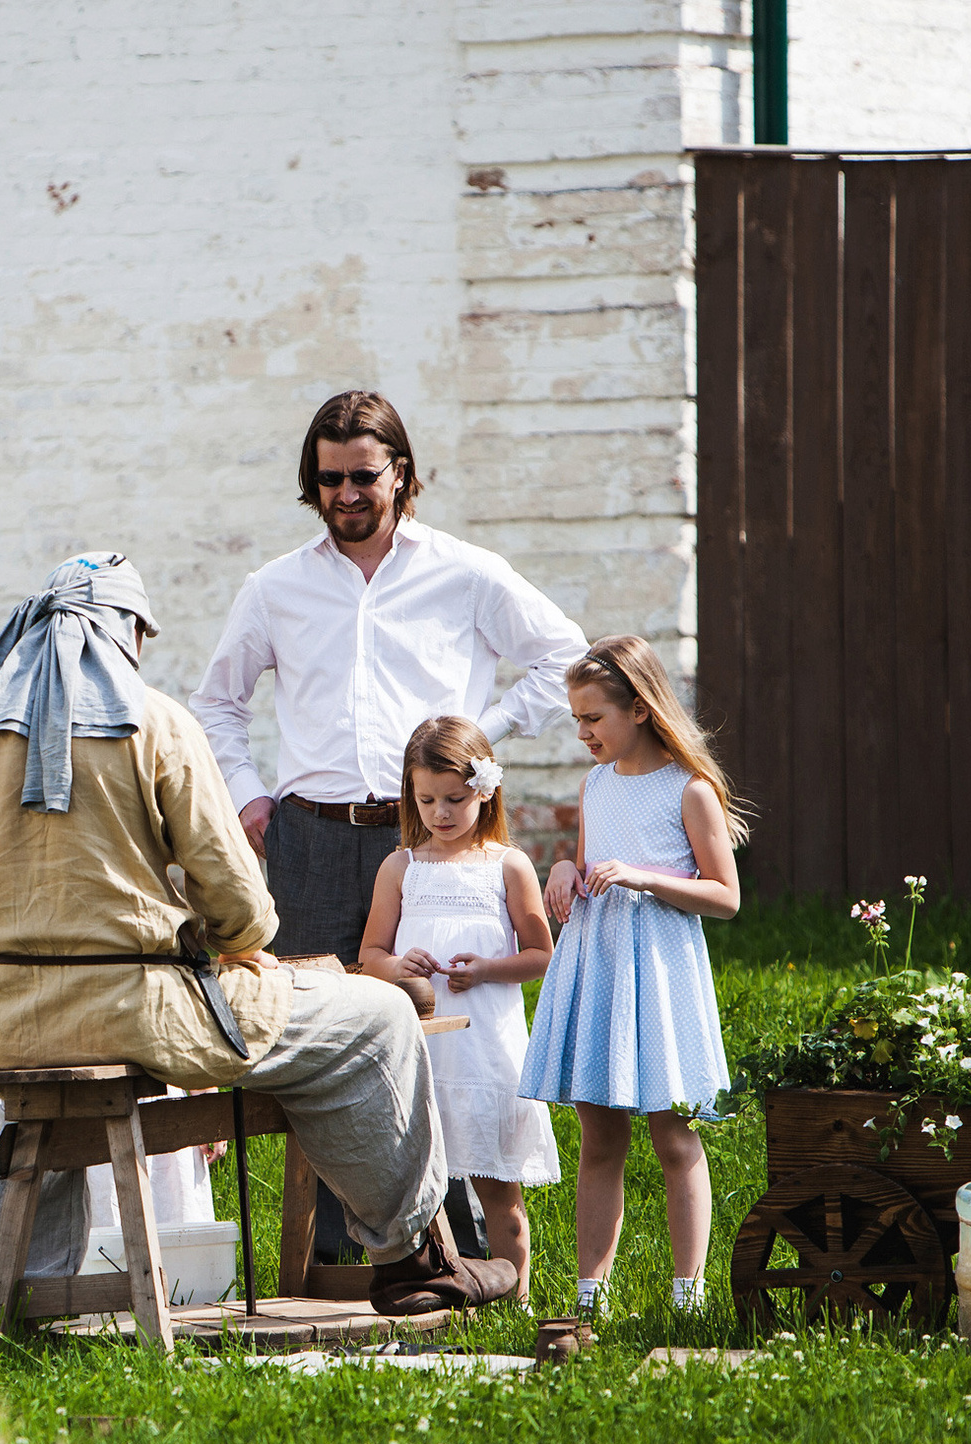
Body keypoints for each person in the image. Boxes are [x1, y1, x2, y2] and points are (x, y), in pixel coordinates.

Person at [0, 552, 518, 1317]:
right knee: (377, 1019)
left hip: (10, 1018)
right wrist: (223, 936)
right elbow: (241, 905)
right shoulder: (154, 721)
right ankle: (415, 1257)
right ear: (126, 632)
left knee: (35, 1109)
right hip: (134, 1011)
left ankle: (5, 1298)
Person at [191, 388, 586, 1255]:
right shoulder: (275, 587)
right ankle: (341, 1253)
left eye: (362, 476)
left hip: (436, 841)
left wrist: (482, 743)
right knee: (322, 1041)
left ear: (400, 474)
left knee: (444, 1039)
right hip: (315, 840)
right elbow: (216, 703)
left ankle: (461, 1250)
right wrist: (253, 797)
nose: (345, 494)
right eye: (329, 479)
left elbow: (567, 658)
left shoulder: (467, 572)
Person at [517, 636, 746, 1316]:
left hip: (660, 971)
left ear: (640, 709)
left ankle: (688, 1296)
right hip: (602, 964)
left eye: (594, 718)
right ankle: (591, 1294)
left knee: (674, 1135)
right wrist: (563, 869)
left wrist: (644, 876)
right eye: (577, 718)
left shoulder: (689, 789)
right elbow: (590, 865)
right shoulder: (595, 785)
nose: (583, 732)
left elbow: (726, 896)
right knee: (599, 1136)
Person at [357, 716, 557, 1303]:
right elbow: (370, 953)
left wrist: (486, 969)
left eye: (455, 799)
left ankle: (514, 1302)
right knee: (419, 1185)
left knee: (501, 1191)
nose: (440, 813)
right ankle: (431, 1290)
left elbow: (540, 953)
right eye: (426, 800)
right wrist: (399, 967)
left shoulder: (508, 866)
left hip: (487, 1050)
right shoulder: (402, 869)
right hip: (422, 1053)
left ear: (485, 791)